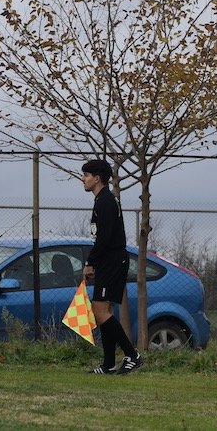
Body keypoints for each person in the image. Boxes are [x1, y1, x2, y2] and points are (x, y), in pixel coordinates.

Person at [81, 159, 143, 375]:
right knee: (105, 311)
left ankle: (132, 356)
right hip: (110, 261)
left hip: (113, 261)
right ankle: (108, 364)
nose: (84, 179)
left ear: (97, 178)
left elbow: (104, 238)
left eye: (87, 175)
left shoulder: (106, 201)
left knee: (100, 310)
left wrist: (90, 263)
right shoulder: (102, 200)